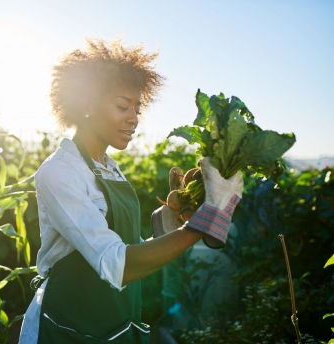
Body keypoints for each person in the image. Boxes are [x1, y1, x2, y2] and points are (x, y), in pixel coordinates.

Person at [19, 38, 243, 343]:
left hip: (115, 320)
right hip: (70, 326)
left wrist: (174, 220)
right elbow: (116, 264)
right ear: (86, 105)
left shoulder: (110, 167)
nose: (134, 118)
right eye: (123, 106)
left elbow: (129, 247)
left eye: (137, 108)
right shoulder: (59, 173)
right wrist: (205, 220)